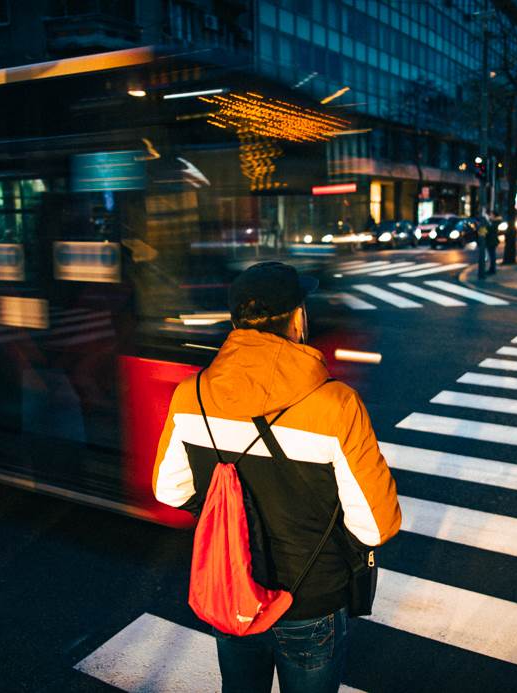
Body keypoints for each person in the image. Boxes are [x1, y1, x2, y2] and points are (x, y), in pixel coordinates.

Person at [153, 261, 401, 693]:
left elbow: (169, 490)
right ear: (297, 319)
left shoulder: (189, 395)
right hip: (311, 600)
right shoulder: (337, 404)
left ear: (235, 322)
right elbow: (376, 526)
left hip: (234, 590)